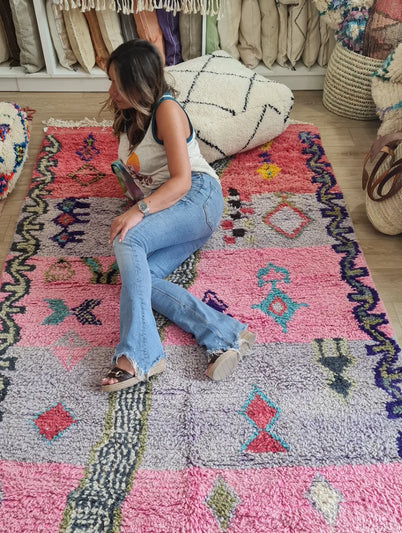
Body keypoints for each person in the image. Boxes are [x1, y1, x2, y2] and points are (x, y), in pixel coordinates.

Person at [101, 39, 255, 392]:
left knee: (127, 240)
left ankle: (139, 355)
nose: (111, 92)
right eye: (110, 82)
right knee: (140, 277)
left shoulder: (166, 110)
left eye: (118, 84)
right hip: (172, 207)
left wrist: (139, 210)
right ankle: (223, 333)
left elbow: (182, 180)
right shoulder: (131, 115)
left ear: (139, 83)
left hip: (198, 197)